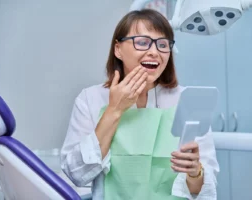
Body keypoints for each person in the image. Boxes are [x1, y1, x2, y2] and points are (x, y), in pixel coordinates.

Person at [61, 9, 219, 200]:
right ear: (118, 49)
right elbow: (75, 174)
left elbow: (205, 192)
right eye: (142, 42)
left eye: (162, 45)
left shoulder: (188, 100)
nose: (154, 52)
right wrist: (114, 110)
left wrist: (195, 173)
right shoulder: (90, 99)